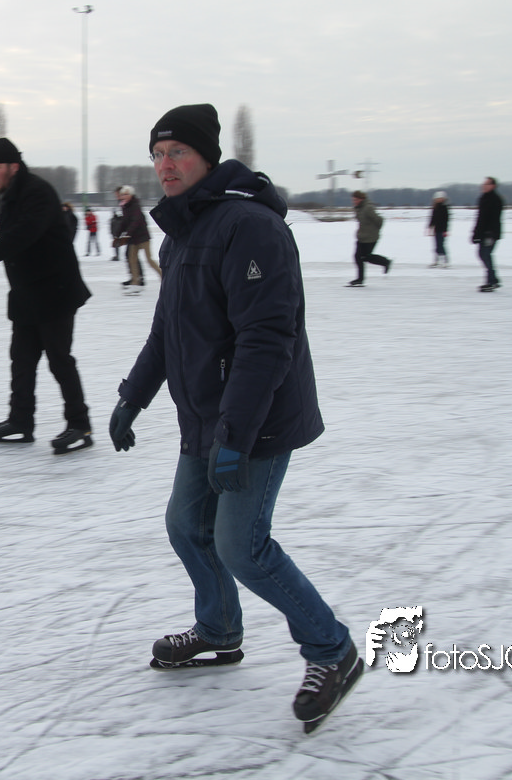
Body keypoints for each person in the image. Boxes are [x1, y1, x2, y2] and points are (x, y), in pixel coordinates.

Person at [108, 104, 359, 734]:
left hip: (257, 418)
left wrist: (237, 436)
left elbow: (266, 339)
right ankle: (219, 628)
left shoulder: (251, 227)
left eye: (178, 152)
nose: (165, 165)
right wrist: (133, 396)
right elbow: (167, 331)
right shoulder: (183, 232)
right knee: (185, 525)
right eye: (157, 154)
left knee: (240, 545)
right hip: (206, 417)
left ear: (207, 157)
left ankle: (332, 649)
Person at [0, 137, 93, 454]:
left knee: (59, 360)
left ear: (14, 167)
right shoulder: (9, 196)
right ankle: (20, 421)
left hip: (55, 290)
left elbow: (21, 235)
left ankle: (80, 425)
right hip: (27, 293)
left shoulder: (37, 192)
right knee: (21, 360)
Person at [114, 185, 162, 288]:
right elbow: (124, 222)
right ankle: (135, 281)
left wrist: (128, 234)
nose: (124, 196)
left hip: (143, 237)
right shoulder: (124, 206)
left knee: (149, 259)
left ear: (131, 195)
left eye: (126, 194)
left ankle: (163, 276)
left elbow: (135, 221)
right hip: (133, 238)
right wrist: (117, 235)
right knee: (132, 259)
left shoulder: (135, 205)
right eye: (122, 194)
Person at [347, 190, 391, 286]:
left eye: (356, 200)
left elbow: (380, 220)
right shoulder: (359, 208)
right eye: (353, 200)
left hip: (370, 237)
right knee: (358, 257)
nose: (354, 202)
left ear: (361, 199)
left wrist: (374, 231)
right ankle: (360, 279)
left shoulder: (368, 208)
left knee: (366, 257)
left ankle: (386, 262)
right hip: (362, 236)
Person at [472, 177, 504, 292]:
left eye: (486, 184)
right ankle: (493, 279)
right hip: (483, 232)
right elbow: (480, 218)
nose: (483, 186)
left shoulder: (495, 199)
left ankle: (491, 281)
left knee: (485, 254)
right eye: (483, 184)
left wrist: (490, 233)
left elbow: (492, 218)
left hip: (490, 233)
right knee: (482, 254)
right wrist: (476, 233)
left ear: (493, 186)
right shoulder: (483, 198)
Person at [426, 191, 450, 267]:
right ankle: (436, 260)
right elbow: (433, 218)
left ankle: (445, 261)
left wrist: (445, 230)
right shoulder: (435, 208)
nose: (438, 199)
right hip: (436, 229)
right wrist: (430, 226)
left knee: (441, 245)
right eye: (437, 198)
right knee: (436, 246)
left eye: (440, 198)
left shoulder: (444, 208)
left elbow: (446, 220)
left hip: (442, 230)